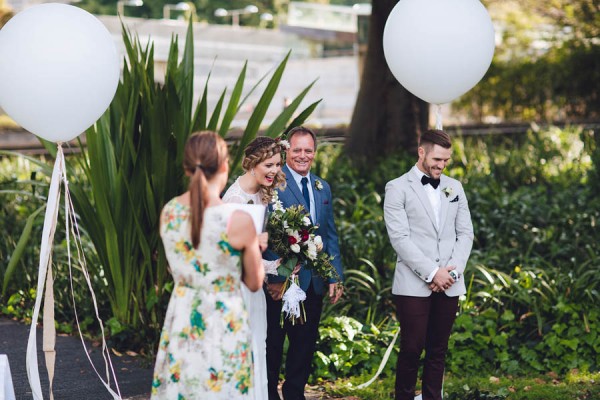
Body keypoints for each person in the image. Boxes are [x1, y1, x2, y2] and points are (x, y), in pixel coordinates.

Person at [151, 131, 265, 399]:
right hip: (223, 321)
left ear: (186, 168)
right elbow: (254, 281)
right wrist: (254, 246)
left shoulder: (170, 212)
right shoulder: (237, 220)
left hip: (183, 317)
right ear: (225, 166)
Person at [383, 129, 474, 400]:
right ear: (421, 152)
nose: (441, 165)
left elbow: (465, 233)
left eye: (446, 160)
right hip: (413, 284)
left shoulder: (454, 187)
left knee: (438, 349)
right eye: (437, 159)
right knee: (412, 347)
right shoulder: (397, 187)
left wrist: (451, 272)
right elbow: (399, 238)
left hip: (450, 281)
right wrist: (433, 272)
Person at [263, 126, 344, 400]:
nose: (302, 156)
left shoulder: (323, 187)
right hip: (280, 283)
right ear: (287, 151)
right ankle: (269, 396)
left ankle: (295, 395)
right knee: (272, 344)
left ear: (315, 152)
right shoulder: (273, 185)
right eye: (297, 150)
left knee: (303, 346)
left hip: (312, 282)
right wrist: (276, 279)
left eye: (308, 150)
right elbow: (266, 234)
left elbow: (329, 235)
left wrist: (334, 276)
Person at [222, 136, 288, 400]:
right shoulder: (234, 199)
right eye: (269, 165)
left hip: (255, 286)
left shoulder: (261, 194)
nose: (274, 171)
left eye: (277, 165)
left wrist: (282, 265)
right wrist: (273, 264)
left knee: (257, 348)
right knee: (240, 350)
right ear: (252, 164)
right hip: (237, 288)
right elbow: (231, 255)